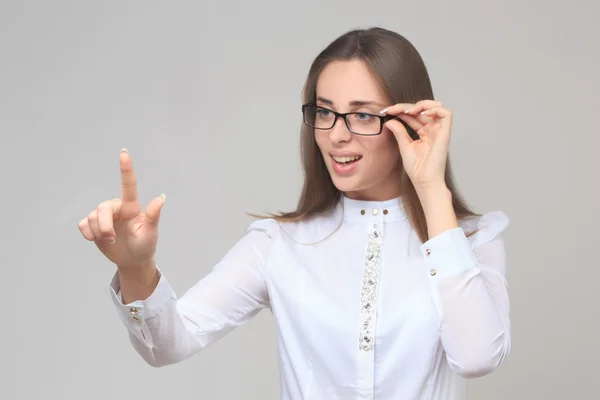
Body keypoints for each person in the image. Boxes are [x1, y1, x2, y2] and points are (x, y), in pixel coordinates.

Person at [78, 27, 510, 400]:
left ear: (409, 120)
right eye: (324, 111)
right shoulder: (279, 244)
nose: (337, 135)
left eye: (362, 114)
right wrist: (137, 269)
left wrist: (431, 189)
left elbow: (475, 357)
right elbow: (167, 346)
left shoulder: (472, 241)